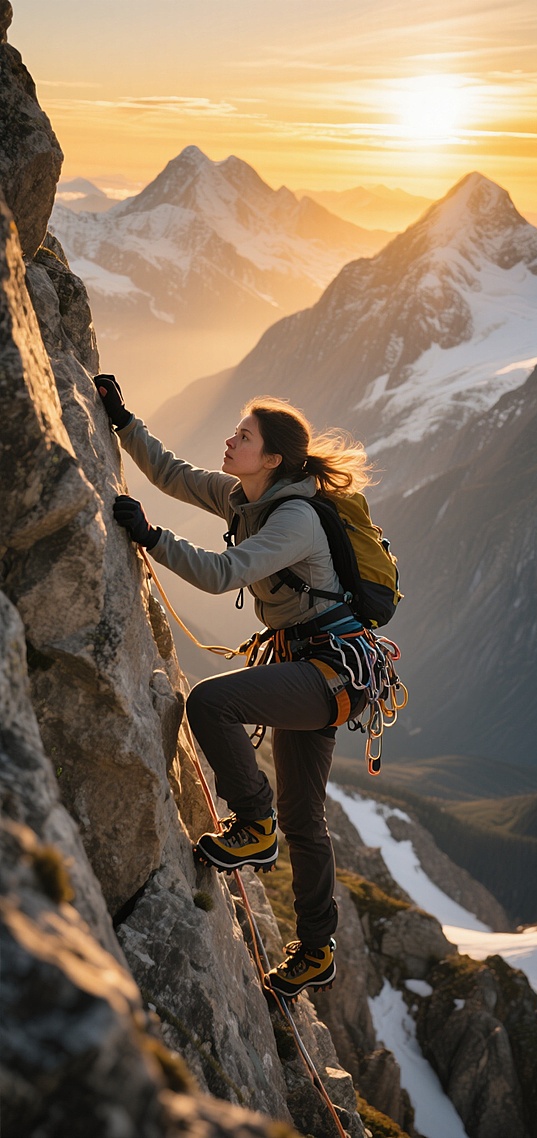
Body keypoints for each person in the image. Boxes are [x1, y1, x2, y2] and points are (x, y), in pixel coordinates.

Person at [94, 374, 373, 999]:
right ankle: (316, 951)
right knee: (307, 817)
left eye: (242, 436)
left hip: (327, 669)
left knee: (212, 703)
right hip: (317, 667)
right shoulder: (249, 497)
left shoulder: (293, 518)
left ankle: (254, 826)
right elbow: (173, 474)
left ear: (271, 458)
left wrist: (150, 538)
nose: (231, 438)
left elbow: (224, 574)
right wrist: (122, 418)